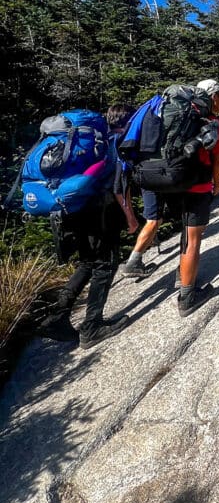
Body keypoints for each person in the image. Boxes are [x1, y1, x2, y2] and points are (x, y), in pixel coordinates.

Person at [37, 105, 134, 349]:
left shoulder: (80, 145)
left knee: (87, 262)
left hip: (70, 207)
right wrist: (129, 217)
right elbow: (117, 186)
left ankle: (56, 318)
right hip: (97, 210)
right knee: (104, 264)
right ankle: (92, 326)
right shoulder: (108, 145)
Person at [175, 78, 219, 316]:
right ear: (213, 97)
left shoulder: (183, 117)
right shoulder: (215, 124)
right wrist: (217, 185)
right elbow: (217, 161)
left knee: (186, 232)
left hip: (174, 182)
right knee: (193, 238)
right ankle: (187, 296)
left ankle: (181, 275)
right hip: (198, 186)